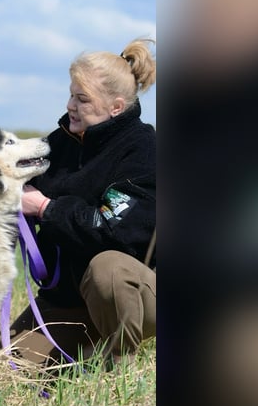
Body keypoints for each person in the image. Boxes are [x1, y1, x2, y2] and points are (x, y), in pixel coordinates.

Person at [9, 38, 156, 367]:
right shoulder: (60, 142)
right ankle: (87, 351)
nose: (70, 105)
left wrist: (45, 208)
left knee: (108, 270)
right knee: (9, 368)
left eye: (82, 98)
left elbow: (112, 229)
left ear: (115, 107)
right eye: (71, 94)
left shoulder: (143, 150)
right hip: (66, 300)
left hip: (136, 293)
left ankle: (119, 365)